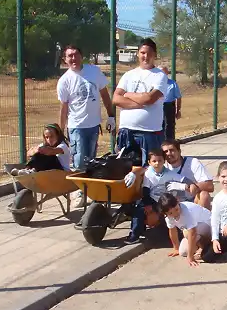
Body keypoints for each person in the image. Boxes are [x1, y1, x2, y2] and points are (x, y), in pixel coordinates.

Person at [56, 44, 115, 207]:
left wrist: (111, 116)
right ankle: (79, 192)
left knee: (91, 160)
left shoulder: (94, 72)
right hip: (77, 126)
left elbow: (104, 94)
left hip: (94, 125)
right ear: (65, 60)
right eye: (69, 56)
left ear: (82, 56)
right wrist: (61, 131)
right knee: (79, 160)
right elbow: (64, 107)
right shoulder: (64, 81)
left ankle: (91, 190)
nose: (73, 58)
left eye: (76, 54)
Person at [112, 38, 168, 167]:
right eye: (142, 53)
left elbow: (150, 99)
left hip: (149, 133)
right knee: (124, 171)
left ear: (155, 55)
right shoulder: (128, 75)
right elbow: (115, 99)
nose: (145, 56)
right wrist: (140, 102)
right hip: (127, 132)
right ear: (138, 53)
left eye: (149, 53)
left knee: (150, 171)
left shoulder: (160, 76)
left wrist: (127, 94)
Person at [125, 149, 190, 245]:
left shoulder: (169, 173)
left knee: (175, 211)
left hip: (164, 199)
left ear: (164, 161)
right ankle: (135, 234)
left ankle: (181, 232)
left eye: (160, 160)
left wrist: (190, 184)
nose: (157, 163)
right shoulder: (148, 173)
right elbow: (145, 190)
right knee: (138, 211)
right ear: (149, 162)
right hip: (151, 199)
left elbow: (182, 179)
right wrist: (147, 205)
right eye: (154, 161)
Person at [159, 193, 212, 267]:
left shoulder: (187, 211)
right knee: (183, 252)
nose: (175, 214)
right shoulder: (168, 218)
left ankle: (204, 246)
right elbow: (172, 231)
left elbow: (192, 233)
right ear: (165, 213)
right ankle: (205, 246)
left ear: (178, 202)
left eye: (176, 209)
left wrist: (190, 257)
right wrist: (176, 248)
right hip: (196, 232)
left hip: (209, 226)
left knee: (186, 232)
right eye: (170, 213)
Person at [160, 139, 214, 209]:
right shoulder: (162, 168)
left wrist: (188, 187)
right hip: (173, 207)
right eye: (165, 151)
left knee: (204, 195)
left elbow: (209, 185)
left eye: (172, 150)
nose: (169, 153)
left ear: (179, 151)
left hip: (193, 202)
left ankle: (202, 219)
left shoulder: (192, 162)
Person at [160, 66, 182, 141]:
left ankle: (170, 143)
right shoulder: (153, 84)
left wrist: (177, 110)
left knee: (168, 126)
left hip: (168, 107)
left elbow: (178, 97)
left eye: (164, 72)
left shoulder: (172, 83)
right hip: (157, 106)